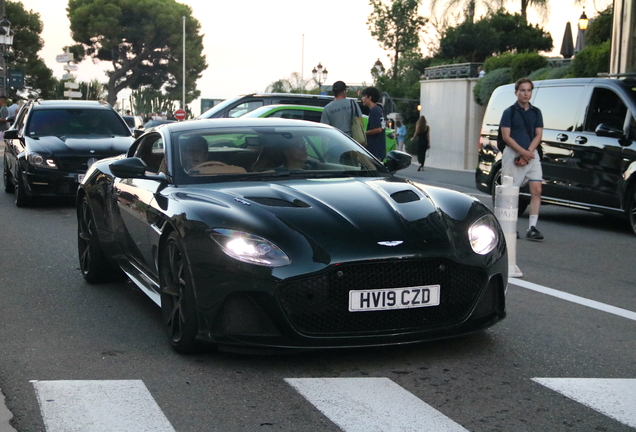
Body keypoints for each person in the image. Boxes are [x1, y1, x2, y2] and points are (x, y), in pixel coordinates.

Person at [500, 77, 544, 241]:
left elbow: (538, 134)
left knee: (537, 190)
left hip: (531, 154)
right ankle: (510, 226)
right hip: (513, 153)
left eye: (528, 90)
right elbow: (506, 136)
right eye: (522, 90)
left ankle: (532, 227)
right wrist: (522, 153)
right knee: (511, 192)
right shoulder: (509, 112)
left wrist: (529, 152)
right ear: (516, 92)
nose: (526, 93)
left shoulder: (536, 112)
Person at [361, 87, 386, 160]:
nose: (363, 99)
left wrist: (364, 133)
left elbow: (378, 129)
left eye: (364, 96)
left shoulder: (374, 110)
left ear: (369, 97)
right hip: (378, 149)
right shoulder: (379, 109)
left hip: (374, 150)